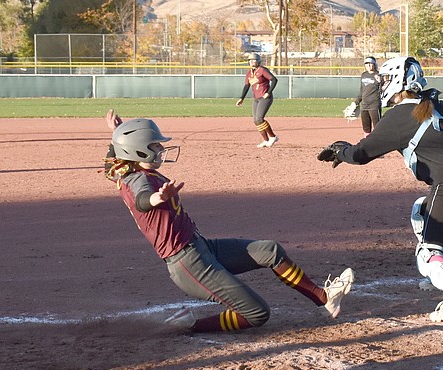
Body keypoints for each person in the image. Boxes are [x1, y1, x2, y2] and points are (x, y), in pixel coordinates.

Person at [102, 110, 352, 333]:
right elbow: (141, 200)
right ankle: (190, 325)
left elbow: (112, 165)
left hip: (201, 248)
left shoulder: (131, 169)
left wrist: (118, 135)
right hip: (188, 263)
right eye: (154, 145)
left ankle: (323, 299)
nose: (160, 149)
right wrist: (157, 198)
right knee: (257, 313)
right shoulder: (138, 181)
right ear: (138, 150)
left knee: (270, 251)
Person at [317, 56, 443, 322]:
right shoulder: (435, 105)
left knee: (428, 250)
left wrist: (341, 151)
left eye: (387, 79)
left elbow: (362, 154)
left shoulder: (400, 115)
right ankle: (439, 274)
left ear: (400, 81)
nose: (384, 84)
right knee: (421, 211)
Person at [236, 53, 279, 148]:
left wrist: (269, 92)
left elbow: (274, 80)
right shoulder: (249, 73)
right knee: (256, 121)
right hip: (256, 98)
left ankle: (273, 137)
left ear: (258, 61)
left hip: (265, 98)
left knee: (260, 118)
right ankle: (266, 140)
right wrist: (241, 98)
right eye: (250, 60)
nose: (251, 61)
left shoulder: (262, 70)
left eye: (254, 60)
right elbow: (247, 86)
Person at [352, 56, 382, 136]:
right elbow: (362, 91)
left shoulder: (379, 75)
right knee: (366, 128)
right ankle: (367, 145)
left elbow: (384, 89)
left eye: (370, 63)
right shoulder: (364, 75)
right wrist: (356, 102)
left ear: (374, 64)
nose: (368, 65)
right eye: (366, 64)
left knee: (378, 127)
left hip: (374, 105)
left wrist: (380, 82)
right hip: (364, 105)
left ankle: (378, 144)